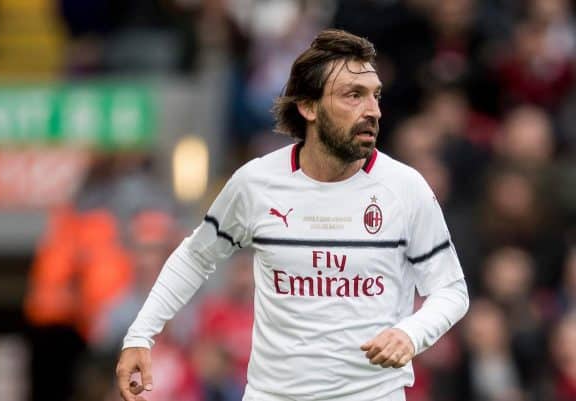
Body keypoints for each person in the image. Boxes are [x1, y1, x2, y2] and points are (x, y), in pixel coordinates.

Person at [116, 29, 469, 401]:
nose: (373, 110)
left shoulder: (405, 188)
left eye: (375, 95)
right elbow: (195, 257)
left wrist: (411, 334)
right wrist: (141, 334)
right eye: (354, 95)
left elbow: (450, 290)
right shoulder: (256, 183)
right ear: (309, 106)